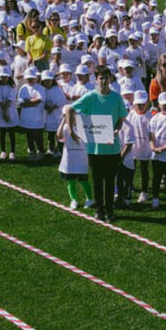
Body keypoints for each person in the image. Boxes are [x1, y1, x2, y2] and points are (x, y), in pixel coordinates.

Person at [73, 65, 129, 222]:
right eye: (100, 78)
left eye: (106, 78)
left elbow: (121, 119)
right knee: (97, 182)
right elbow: (72, 109)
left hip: (112, 148)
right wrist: (75, 129)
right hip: (94, 148)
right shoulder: (90, 97)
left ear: (110, 79)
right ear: (95, 79)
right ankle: (99, 210)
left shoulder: (117, 98)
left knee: (110, 182)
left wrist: (117, 130)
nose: (104, 81)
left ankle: (110, 210)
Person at [57, 106, 94, 209]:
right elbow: (59, 136)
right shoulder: (65, 128)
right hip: (69, 158)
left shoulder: (83, 127)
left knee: (83, 180)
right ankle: (74, 200)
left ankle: (89, 199)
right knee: (71, 181)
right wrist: (64, 120)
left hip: (81, 157)